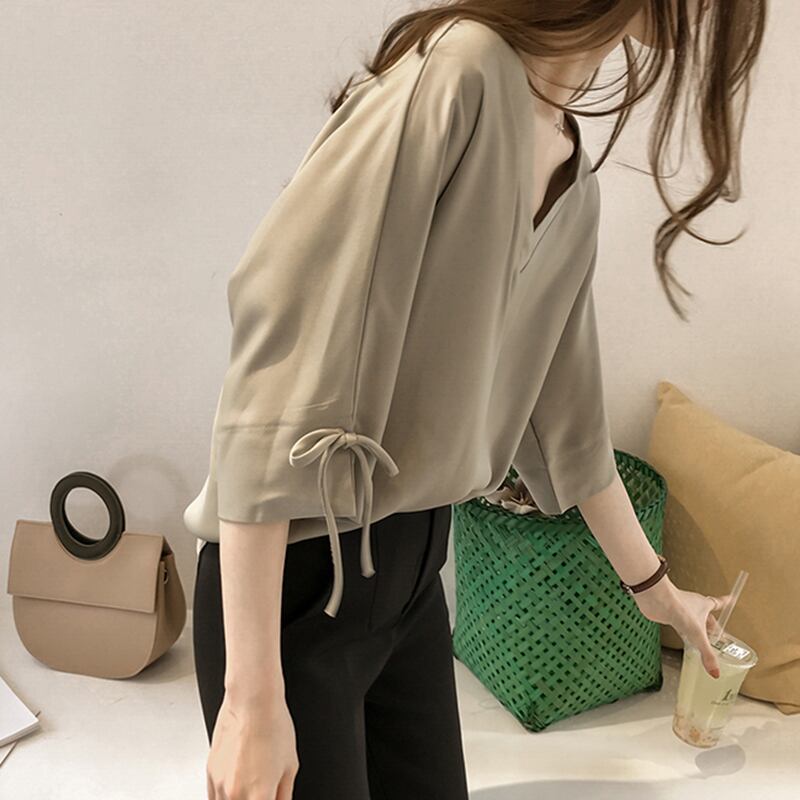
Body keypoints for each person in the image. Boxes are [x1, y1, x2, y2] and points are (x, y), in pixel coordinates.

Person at [185, 3, 766, 799]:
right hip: (297, 578)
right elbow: (277, 369)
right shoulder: (463, 70)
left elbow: (569, 425)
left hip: (414, 577)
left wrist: (662, 596)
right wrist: (251, 694)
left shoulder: (574, 179)